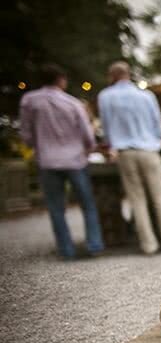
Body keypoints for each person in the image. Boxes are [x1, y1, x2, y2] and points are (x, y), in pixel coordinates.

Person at [19, 63, 104, 259]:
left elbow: (26, 133)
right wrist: (89, 149)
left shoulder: (29, 101)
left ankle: (66, 250)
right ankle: (95, 245)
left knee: (56, 208)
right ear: (61, 80)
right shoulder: (73, 103)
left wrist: (37, 145)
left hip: (47, 160)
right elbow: (87, 135)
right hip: (75, 160)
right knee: (88, 204)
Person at [98, 61, 161, 254]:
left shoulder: (105, 96)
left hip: (125, 151)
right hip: (149, 150)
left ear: (112, 76)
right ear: (128, 74)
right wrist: (155, 141)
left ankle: (149, 245)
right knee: (160, 198)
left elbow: (107, 127)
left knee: (137, 199)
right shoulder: (146, 96)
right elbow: (157, 125)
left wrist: (111, 144)